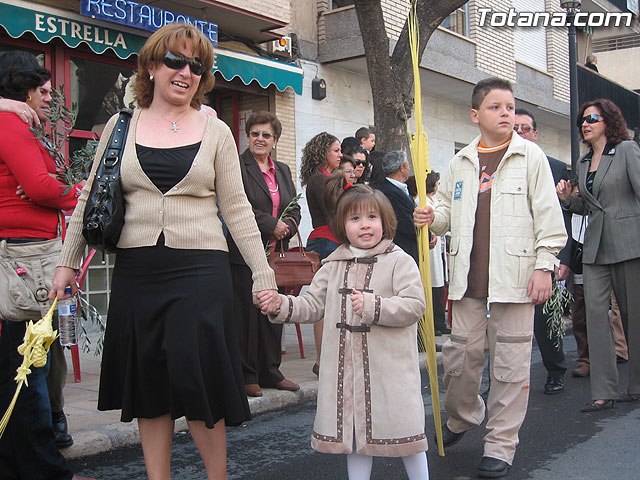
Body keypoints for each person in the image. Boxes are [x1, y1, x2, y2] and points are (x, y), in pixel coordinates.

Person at [49, 24, 278, 479]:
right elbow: (92, 198)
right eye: (176, 60)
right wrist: (66, 263)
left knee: (201, 384)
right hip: (139, 270)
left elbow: (236, 208)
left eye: (197, 65)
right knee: (150, 384)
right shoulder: (121, 125)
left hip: (201, 271)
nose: (186, 71)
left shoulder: (215, 130)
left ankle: (217, 476)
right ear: (152, 65)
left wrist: (262, 272)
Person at [414, 77, 566, 478]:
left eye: (510, 107)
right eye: (496, 107)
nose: (506, 114)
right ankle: (463, 416)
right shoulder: (460, 161)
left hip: (516, 280)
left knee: (510, 367)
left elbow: (549, 218)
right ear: (475, 115)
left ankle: (500, 445)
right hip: (467, 281)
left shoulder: (530, 157)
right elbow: (445, 211)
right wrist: (432, 217)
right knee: (460, 361)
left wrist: (544, 266)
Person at [258, 179, 429, 480]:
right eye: (355, 218)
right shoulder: (332, 265)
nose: (365, 225)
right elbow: (311, 305)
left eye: (372, 217)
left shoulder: (400, 261)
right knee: (354, 438)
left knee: (407, 438)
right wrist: (279, 304)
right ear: (342, 225)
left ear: (385, 221)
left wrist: (376, 306)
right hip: (347, 374)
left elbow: (415, 305)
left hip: (390, 372)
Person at [0, 50, 93, 480]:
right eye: (42, 89)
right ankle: (45, 470)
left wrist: (47, 190)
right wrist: (77, 192)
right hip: (23, 259)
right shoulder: (10, 123)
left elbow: (34, 188)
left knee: (22, 370)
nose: (48, 96)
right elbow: (39, 186)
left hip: (23, 255)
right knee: (27, 371)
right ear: (22, 88)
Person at [557, 98, 640, 411]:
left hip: (630, 242)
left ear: (609, 121)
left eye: (592, 118)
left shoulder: (628, 151)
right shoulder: (582, 162)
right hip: (594, 247)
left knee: (634, 316)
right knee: (594, 316)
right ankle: (604, 391)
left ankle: (636, 384)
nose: (585, 124)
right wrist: (568, 199)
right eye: (582, 120)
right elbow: (589, 207)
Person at [227, 111, 300, 398]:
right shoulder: (237, 165)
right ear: (248, 136)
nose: (260, 139)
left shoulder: (281, 169)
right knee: (246, 314)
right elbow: (237, 205)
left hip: (275, 253)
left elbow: (294, 206)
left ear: (275, 140)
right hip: (243, 250)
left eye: (266, 135)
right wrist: (271, 225)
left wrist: (287, 227)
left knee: (273, 308)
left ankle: (271, 370)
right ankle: (248, 374)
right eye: (255, 133)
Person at [514, 107, 571, 395]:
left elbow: (566, 216)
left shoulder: (556, 168)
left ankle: (555, 371)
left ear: (535, 134)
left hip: (546, 254)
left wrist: (564, 258)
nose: (520, 133)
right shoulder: (499, 166)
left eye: (525, 128)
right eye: (515, 129)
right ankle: (505, 382)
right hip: (511, 258)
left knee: (547, 319)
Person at [300, 132, 343, 376]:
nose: (340, 155)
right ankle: (322, 359)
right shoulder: (321, 180)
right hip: (327, 241)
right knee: (326, 303)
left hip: (328, 240)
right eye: (336, 150)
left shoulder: (325, 178)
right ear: (323, 152)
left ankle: (324, 359)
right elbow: (338, 211)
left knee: (329, 302)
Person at [377, 150, 419, 264]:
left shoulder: (401, 189)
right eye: (408, 164)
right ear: (402, 167)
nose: (409, 168)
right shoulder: (388, 192)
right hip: (401, 252)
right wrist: (426, 236)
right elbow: (405, 223)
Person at [426, 171, 450, 336]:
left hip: (440, 248)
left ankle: (440, 322)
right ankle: (434, 324)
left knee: (441, 288)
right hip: (431, 250)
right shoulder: (424, 201)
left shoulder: (436, 201)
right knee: (433, 289)